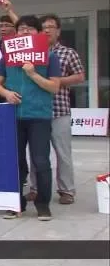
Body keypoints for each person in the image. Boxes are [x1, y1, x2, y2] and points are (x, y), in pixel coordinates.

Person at [0, 15, 61, 221]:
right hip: (13, 115)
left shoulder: (50, 56)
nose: (25, 32)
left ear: (39, 33)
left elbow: (54, 87)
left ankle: (43, 205)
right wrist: (6, 94)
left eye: (30, 28)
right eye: (21, 28)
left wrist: (33, 74)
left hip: (39, 115)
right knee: (15, 161)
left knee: (41, 161)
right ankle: (15, 204)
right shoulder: (7, 56)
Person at [27, 14, 85, 205]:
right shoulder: (31, 53)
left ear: (58, 31)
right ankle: (35, 188)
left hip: (59, 111)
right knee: (37, 153)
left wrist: (57, 81)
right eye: (43, 27)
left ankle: (66, 190)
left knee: (63, 153)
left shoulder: (68, 53)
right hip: (36, 111)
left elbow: (80, 76)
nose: (47, 30)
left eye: (51, 27)